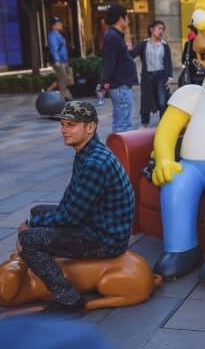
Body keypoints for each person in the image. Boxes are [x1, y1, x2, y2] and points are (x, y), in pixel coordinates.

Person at [17, 101, 135, 314]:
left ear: (91, 127)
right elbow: (71, 202)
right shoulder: (87, 153)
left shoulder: (94, 164)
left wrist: (30, 226)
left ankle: (68, 299)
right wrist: (37, 220)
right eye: (62, 124)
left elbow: (70, 216)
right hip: (96, 223)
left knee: (28, 240)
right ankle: (48, 266)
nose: (64, 130)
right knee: (38, 211)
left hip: (104, 239)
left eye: (71, 124)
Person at [101, 4, 139, 133]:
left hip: (121, 85)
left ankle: (117, 151)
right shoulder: (112, 36)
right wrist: (104, 81)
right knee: (123, 124)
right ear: (120, 19)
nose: (128, 21)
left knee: (121, 121)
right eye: (126, 17)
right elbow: (109, 61)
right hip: (120, 85)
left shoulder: (115, 35)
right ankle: (120, 152)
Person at [132, 20, 173, 128]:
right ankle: (144, 124)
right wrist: (124, 49)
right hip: (147, 77)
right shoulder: (143, 44)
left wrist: (170, 77)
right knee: (145, 102)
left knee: (162, 101)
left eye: (162, 29)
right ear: (151, 29)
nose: (161, 31)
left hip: (161, 76)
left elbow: (168, 63)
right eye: (159, 28)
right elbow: (131, 55)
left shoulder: (165, 45)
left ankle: (163, 124)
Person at [47, 16, 73, 100]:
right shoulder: (52, 35)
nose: (60, 25)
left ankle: (48, 91)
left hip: (63, 60)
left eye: (60, 23)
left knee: (64, 78)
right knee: (63, 79)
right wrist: (57, 60)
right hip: (59, 61)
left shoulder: (59, 34)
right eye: (58, 24)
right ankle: (62, 97)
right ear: (53, 26)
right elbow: (54, 48)